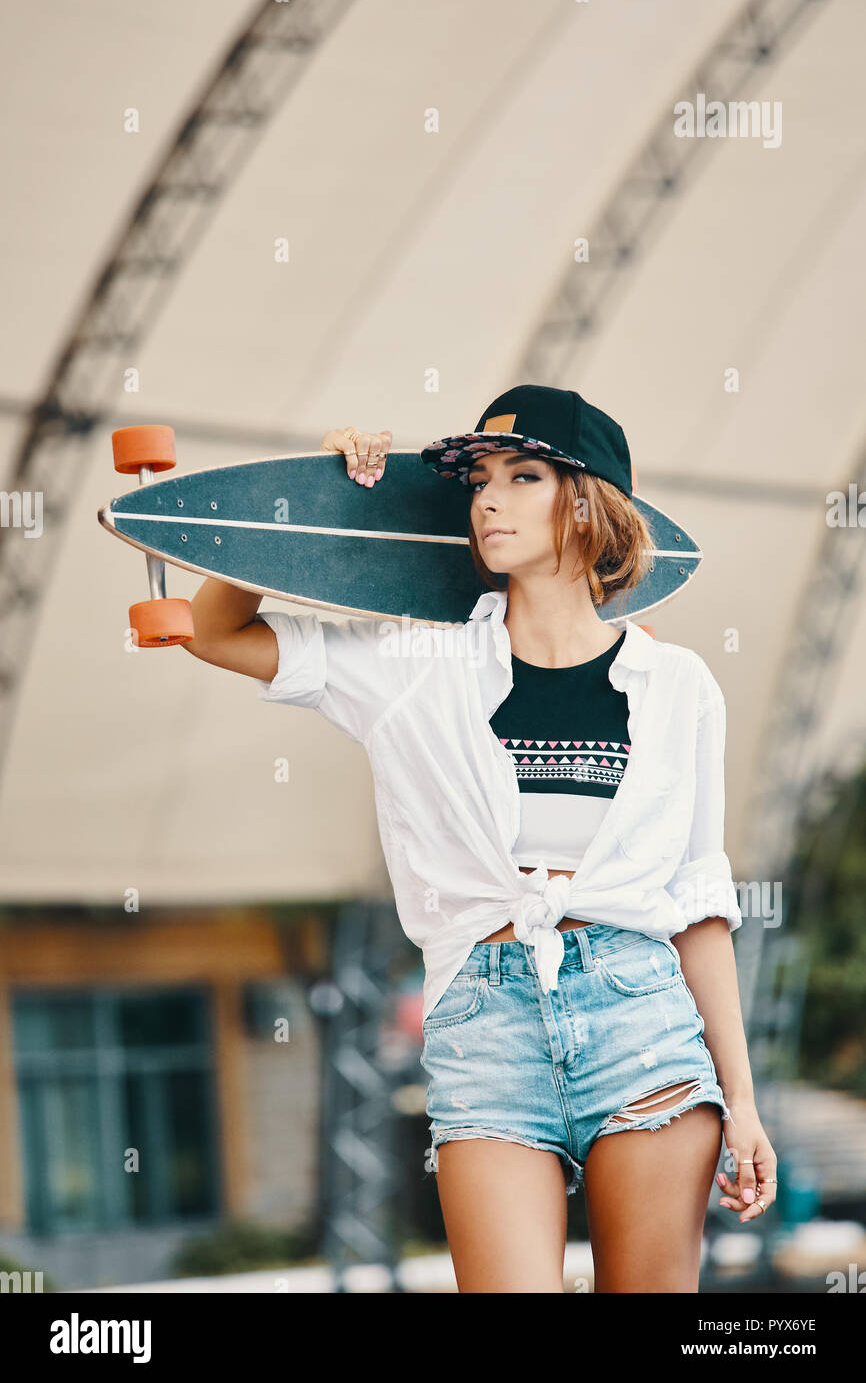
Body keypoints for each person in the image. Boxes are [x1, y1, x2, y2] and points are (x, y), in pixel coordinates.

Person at [182, 384, 777, 1293]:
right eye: (480, 480)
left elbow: (698, 901)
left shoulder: (679, 686)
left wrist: (741, 1101)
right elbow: (212, 631)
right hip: (485, 1032)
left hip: (642, 1026)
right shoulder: (413, 667)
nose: (489, 498)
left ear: (588, 503)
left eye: (523, 475)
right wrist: (313, 504)